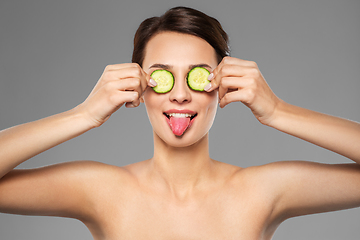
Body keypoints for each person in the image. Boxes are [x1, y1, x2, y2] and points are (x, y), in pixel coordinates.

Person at [0, 6, 359, 240]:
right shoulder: (102, 191)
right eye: (162, 78)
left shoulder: (261, 191)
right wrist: (84, 114)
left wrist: (277, 111)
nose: (181, 96)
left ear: (220, 86)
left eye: (197, 77)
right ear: (138, 88)